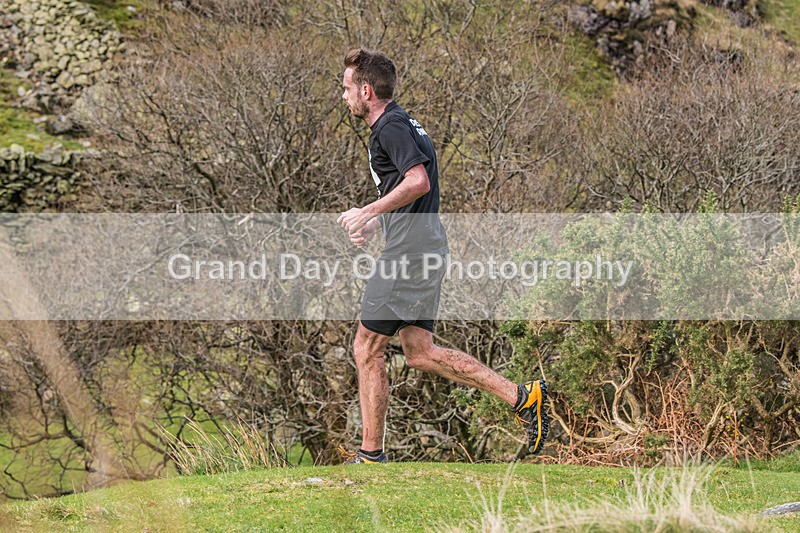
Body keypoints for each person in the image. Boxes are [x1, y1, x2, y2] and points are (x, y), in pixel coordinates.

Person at [337, 47, 548, 464]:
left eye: (346, 89)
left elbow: (417, 182)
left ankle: (371, 455)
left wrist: (368, 210)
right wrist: (375, 223)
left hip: (410, 253)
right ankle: (523, 397)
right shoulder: (404, 124)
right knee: (419, 352)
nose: (343, 97)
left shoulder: (389, 129)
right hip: (424, 245)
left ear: (366, 90)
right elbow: (414, 190)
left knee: (366, 346)